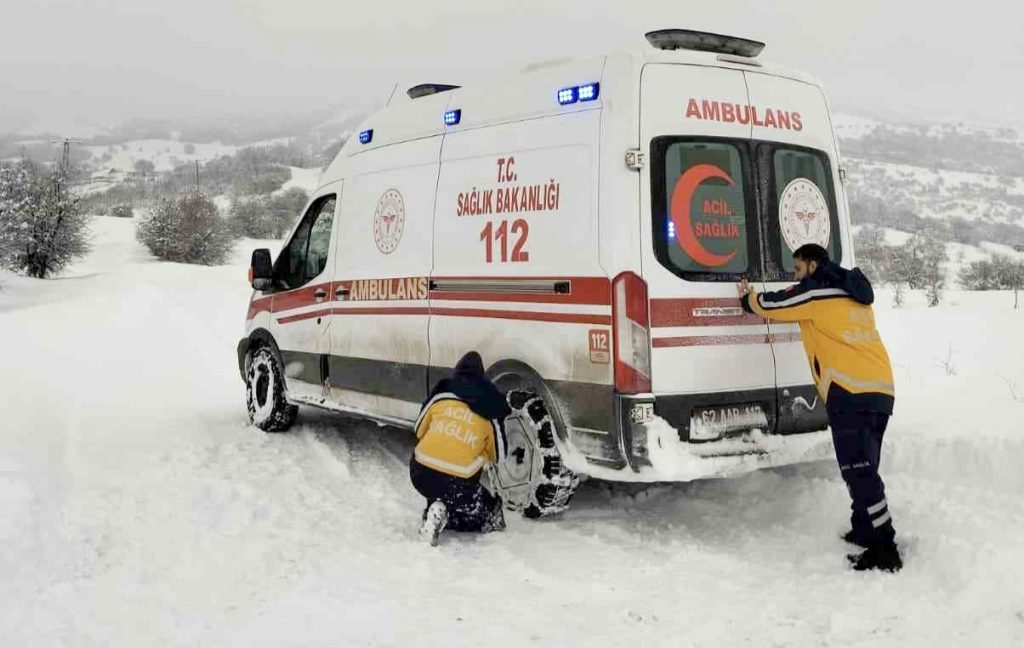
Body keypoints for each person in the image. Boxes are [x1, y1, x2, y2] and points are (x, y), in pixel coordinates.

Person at [738, 244, 902, 572]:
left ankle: (885, 547)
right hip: (881, 388)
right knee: (864, 465)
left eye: (798, 270)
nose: (795, 277)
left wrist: (748, 298)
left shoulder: (816, 295)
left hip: (849, 389)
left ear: (812, 266)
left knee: (858, 470)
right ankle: (865, 528)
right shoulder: (853, 293)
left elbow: (777, 304)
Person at [410, 351, 511, 546]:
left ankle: (436, 509)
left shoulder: (441, 394)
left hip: (420, 473)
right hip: (459, 483)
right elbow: (500, 455)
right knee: (485, 511)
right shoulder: (491, 407)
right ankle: (449, 514)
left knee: (439, 482)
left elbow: (418, 429)